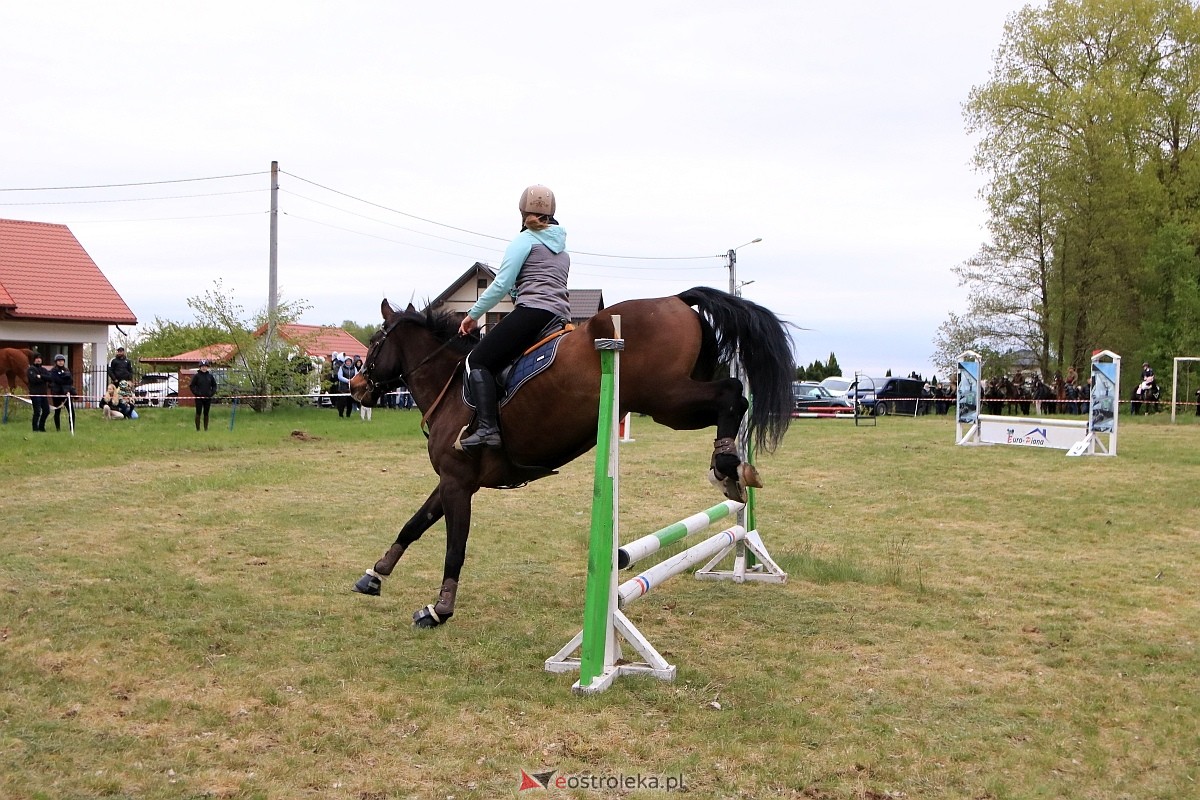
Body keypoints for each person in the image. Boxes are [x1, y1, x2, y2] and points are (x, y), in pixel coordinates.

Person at [455, 185, 570, 450]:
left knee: (477, 361)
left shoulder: (524, 240)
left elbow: (501, 284)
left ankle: (488, 429)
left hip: (533, 312)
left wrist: (473, 315)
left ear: (522, 212)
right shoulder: (563, 252)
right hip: (560, 317)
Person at [46, 354, 74, 432]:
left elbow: (71, 381)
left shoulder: (67, 370)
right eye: (59, 361)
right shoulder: (53, 371)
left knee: (71, 411)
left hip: (66, 394)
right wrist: (64, 378)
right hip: (57, 394)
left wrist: (64, 378)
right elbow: (57, 380)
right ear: (56, 362)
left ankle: (72, 428)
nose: (61, 362)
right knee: (57, 411)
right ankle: (58, 429)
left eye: (62, 361)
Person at [189, 359, 218, 431]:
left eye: (205, 366)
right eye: (202, 366)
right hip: (199, 398)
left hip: (208, 398)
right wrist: (197, 393)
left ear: (207, 367)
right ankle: (198, 429)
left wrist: (211, 393)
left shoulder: (210, 376)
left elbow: (214, 385)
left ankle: (206, 428)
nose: (204, 368)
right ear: (200, 367)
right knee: (198, 412)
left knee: (206, 413)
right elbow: (192, 386)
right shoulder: (196, 376)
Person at [26, 353, 50, 432]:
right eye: (37, 358)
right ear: (34, 359)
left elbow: (50, 378)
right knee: (37, 411)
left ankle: (41, 427)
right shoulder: (31, 369)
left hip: (43, 394)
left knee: (46, 410)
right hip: (35, 393)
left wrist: (41, 376)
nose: (38, 359)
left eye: (40, 358)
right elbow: (33, 380)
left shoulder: (44, 370)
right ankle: (35, 429)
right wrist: (43, 378)